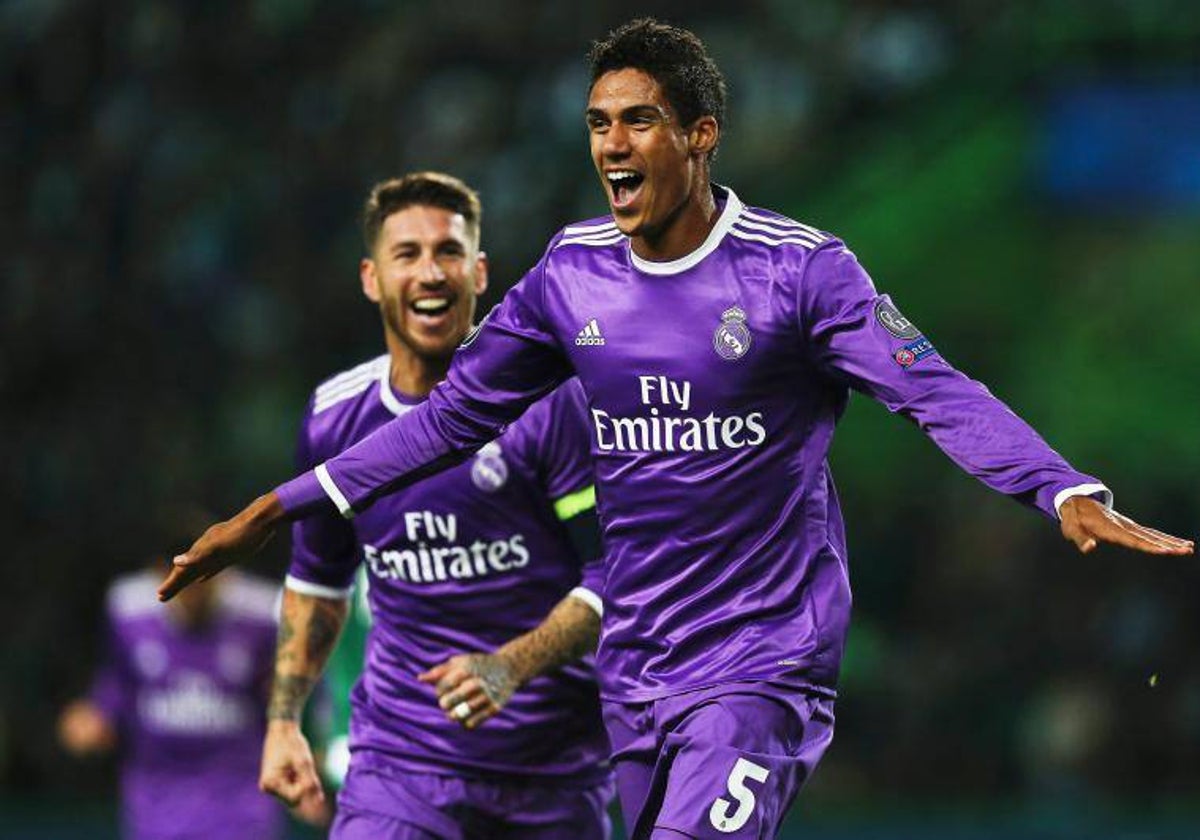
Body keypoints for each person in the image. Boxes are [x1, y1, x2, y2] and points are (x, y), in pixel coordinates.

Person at [160, 19, 1194, 840]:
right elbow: (449, 420)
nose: (612, 143)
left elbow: (932, 389)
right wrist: (280, 505)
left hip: (760, 663)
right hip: (638, 668)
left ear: (700, 135)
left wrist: (1061, 486)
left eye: (639, 120)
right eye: (600, 123)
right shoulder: (571, 275)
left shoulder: (799, 272)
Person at [255, 172, 614, 839]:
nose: (430, 272)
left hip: (551, 775)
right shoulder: (336, 420)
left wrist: (512, 665)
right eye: (407, 254)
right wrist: (283, 723)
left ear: (479, 273)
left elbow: (614, 577)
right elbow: (317, 586)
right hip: (399, 770)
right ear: (371, 278)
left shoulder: (549, 403)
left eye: (448, 252)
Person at [60, 566, 286, 840]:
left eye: (203, 579)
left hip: (240, 805)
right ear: (160, 572)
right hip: (157, 806)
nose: (194, 592)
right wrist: (97, 714)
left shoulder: (263, 613)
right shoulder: (128, 610)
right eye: (184, 581)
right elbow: (116, 683)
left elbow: (293, 694)